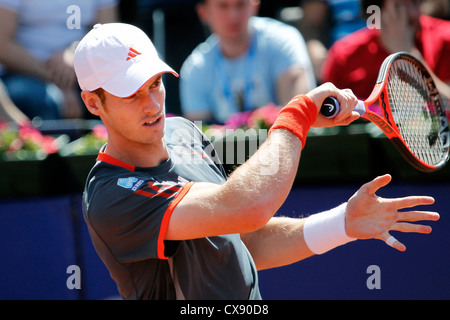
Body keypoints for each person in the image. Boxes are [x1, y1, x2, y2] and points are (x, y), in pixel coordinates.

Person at [74, 22, 439, 300]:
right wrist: (298, 114)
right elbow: (246, 206)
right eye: (131, 95)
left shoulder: (182, 131)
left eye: (155, 84)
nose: (153, 105)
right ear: (93, 103)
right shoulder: (111, 196)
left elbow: (241, 240)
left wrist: (342, 222)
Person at [179, 0, 316, 124]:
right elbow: (199, 136)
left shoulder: (284, 40)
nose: (233, 15)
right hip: (225, 152)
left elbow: (297, 117)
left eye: (240, 4)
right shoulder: (195, 68)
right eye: (223, 6)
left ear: (254, 5)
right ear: (203, 12)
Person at [0, 0, 118, 121]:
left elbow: (106, 36)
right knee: (45, 101)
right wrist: (57, 80)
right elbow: (3, 46)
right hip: (24, 73)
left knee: (113, 95)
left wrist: (75, 51)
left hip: (82, 69)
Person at [321, 0, 450, 101]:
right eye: (400, 6)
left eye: (415, 2)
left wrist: (409, 55)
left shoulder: (446, 38)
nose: (412, 13)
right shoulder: (344, 56)